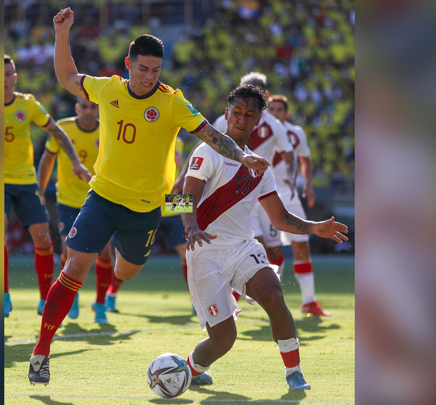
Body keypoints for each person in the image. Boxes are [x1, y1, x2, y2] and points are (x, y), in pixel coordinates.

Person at [28, 8, 270, 386]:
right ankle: (41, 352)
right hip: (102, 197)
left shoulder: (173, 102)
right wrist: (62, 34)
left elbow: (212, 135)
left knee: (127, 270)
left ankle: (110, 296)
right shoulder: (107, 88)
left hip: (148, 209)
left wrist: (241, 155)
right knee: (75, 267)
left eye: (156, 70)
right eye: (143, 69)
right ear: (128, 65)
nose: (150, 77)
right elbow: (66, 77)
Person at [180, 84, 349, 390]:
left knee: (273, 294)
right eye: (237, 112)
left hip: (243, 248)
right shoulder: (206, 151)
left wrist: (313, 227)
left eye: (249, 114)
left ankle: (294, 371)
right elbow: (181, 197)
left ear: (259, 121)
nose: (242, 119)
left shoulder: (260, 166)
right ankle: (190, 367)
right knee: (224, 339)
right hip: (205, 254)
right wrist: (190, 227)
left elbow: (280, 218)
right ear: (227, 114)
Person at [4, 54, 91, 318]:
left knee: (45, 241)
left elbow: (55, 133)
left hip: (26, 182)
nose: (3, 81)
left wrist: (75, 161)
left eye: (8, 75)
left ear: (15, 78)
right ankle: (4, 295)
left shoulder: (27, 105)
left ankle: (49, 300)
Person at [36, 97, 114, 324]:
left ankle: (101, 303)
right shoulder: (64, 128)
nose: (89, 112)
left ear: (99, 109)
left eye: (93, 107)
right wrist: (39, 194)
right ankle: (73, 297)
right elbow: (47, 160)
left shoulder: (109, 130)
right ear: (77, 108)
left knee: (106, 252)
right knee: (70, 253)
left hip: (100, 201)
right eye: (85, 107)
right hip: (69, 202)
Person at [213, 72, 296, 282]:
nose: (242, 118)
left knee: (270, 252)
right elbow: (191, 190)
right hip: (234, 200)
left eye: (254, 93)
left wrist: (291, 180)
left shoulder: (273, 130)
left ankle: (271, 290)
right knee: (252, 247)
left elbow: (289, 155)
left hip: (260, 195)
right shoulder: (217, 134)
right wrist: (174, 198)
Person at [105, 137, 189, 314]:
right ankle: (110, 296)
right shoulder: (147, 136)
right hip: (149, 202)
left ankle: (197, 301)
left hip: (174, 201)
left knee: (189, 254)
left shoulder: (179, 141)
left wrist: (188, 209)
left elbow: (182, 174)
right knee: (126, 257)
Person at [267, 94, 328, 317]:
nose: (275, 113)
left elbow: (306, 160)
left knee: (301, 244)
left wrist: (308, 186)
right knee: (268, 248)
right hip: (265, 196)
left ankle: (308, 301)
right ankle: (253, 298)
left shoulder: (296, 133)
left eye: (279, 110)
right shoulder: (259, 130)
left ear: (287, 113)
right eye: (271, 109)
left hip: (290, 196)